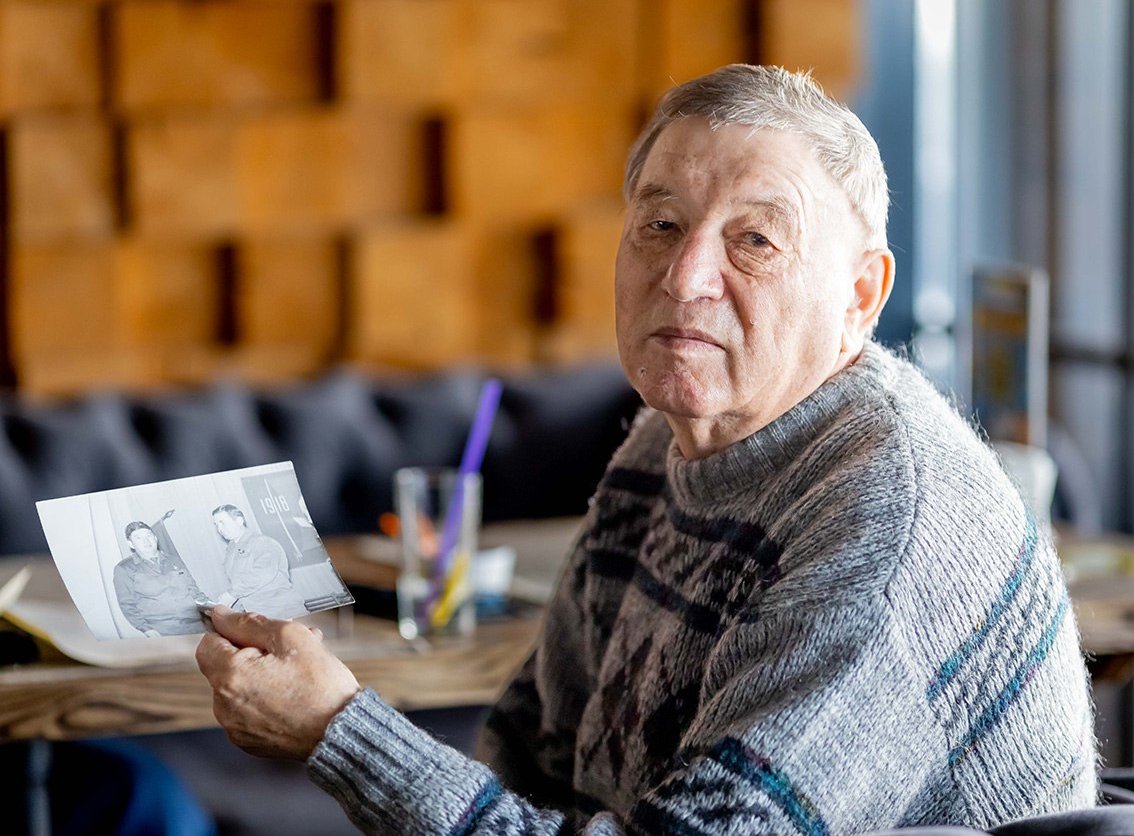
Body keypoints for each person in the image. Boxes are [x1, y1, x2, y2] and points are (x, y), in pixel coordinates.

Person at [196, 65, 1097, 833]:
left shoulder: (890, 525)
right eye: (661, 224)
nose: (685, 275)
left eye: (754, 240)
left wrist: (340, 730)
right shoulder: (658, 442)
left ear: (860, 297)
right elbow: (528, 754)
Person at [212, 504, 307, 619]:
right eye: (216, 525)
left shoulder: (262, 542)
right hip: (260, 615)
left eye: (222, 522)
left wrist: (232, 594)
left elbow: (264, 573)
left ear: (239, 521)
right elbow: (240, 585)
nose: (220, 529)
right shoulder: (231, 551)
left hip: (283, 611)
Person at [113, 520, 207, 637]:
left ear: (155, 538)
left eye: (149, 535)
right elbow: (127, 605)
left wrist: (211, 608)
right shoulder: (125, 568)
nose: (146, 541)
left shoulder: (174, 561)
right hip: (163, 630)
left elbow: (194, 592)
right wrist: (146, 629)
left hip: (196, 625)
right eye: (139, 538)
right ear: (131, 544)